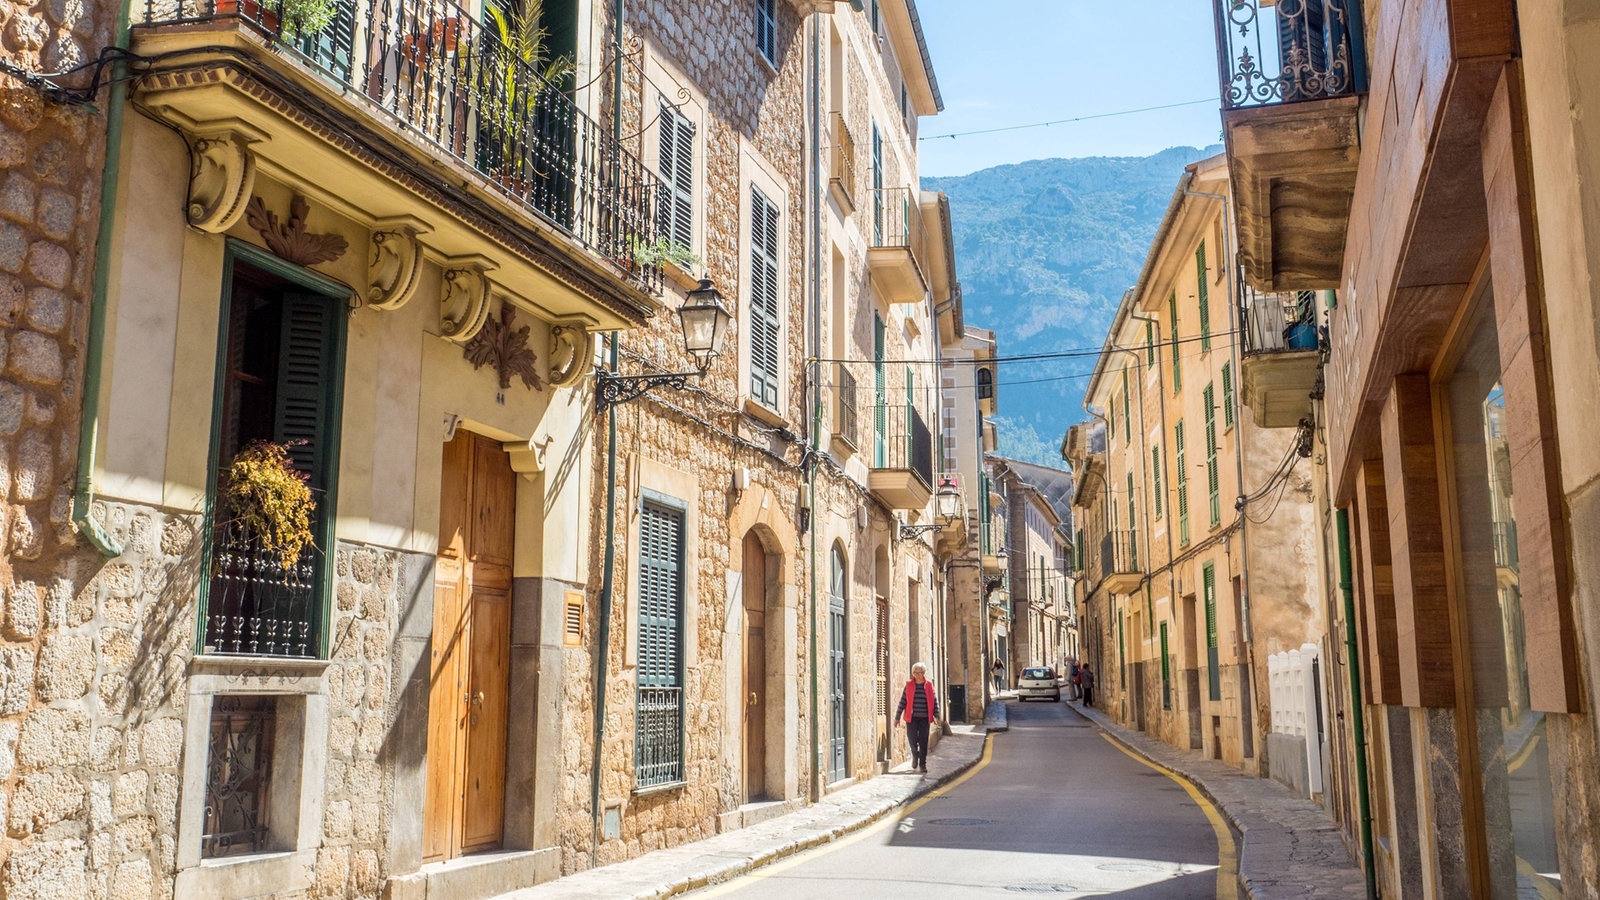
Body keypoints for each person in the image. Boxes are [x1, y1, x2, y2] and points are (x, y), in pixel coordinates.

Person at [894, 661, 939, 773]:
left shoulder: (929, 685)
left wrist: (936, 715)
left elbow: (934, 701)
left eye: (920, 672)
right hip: (912, 718)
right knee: (912, 738)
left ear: (924, 673)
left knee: (923, 741)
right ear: (913, 673)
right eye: (916, 673)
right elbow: (903, 701)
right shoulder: (909, 685)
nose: (918, 675)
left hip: (925, 718)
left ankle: (922, 764)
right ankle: (915, 754)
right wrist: (897, 717)